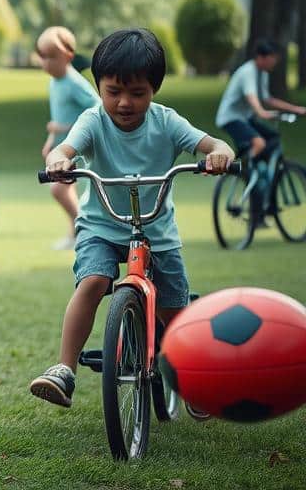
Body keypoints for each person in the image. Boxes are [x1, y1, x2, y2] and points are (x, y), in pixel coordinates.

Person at [30, 28, 234, 412]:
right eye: (113, 92)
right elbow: (65, 148)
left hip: (156, 231)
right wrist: (59, 160)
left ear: (153, 90)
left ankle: (193, 376)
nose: (124, 102)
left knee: (174, 309)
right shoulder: (93, 121)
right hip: (101, 227)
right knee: (92, 281)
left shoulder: (167, 122)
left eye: (137, 93)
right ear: (99, 87)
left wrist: (220, 153)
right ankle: (63, 369)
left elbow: (215, 145)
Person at [214, 38, 306, 221]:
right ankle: (247, 170)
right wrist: (261, 113)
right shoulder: (248, 72)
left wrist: (297, 109)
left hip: (245, 118)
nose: (274, 62)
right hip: (230, 118)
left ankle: (259, 178)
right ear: (261, 57)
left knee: (272, 138)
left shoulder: (262, 73)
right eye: (272, 58)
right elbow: (253, 99)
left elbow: (268, 99)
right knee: (259, 142)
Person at [37, 26, 101, 250]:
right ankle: (75, 233)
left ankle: (82, 230)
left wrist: (63, 127)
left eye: (51, 57)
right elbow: (57, 117)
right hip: (60, 148)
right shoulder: (55, 83)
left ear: (68, 57)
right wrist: (50, 140)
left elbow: (97, 108)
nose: (46, 63)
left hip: (76, 147)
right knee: (66, 190)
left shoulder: (74, 83)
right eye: (42, 57)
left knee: (58, 189)